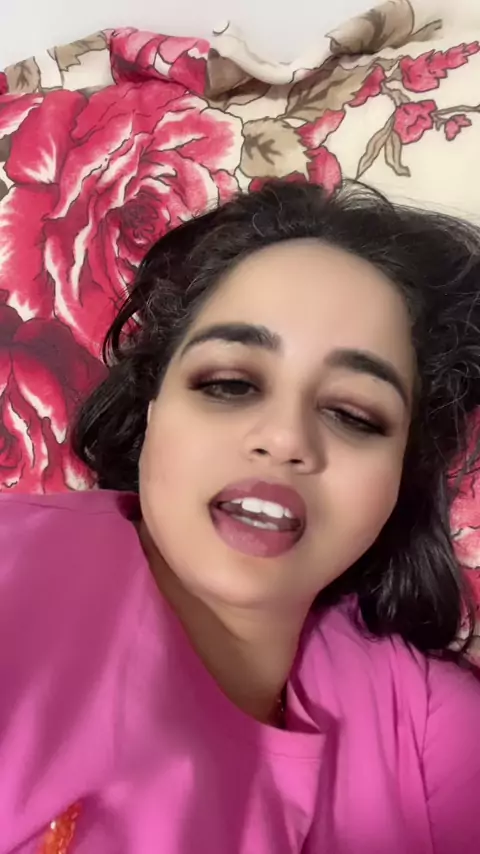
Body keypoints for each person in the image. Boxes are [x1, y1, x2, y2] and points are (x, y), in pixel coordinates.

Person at [0, 180, 479, 854]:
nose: (283, 438)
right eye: (229, 384)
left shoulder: (430, 734)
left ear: (401, 474)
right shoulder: (14, 574)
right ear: (153, 410)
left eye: (353, 414)